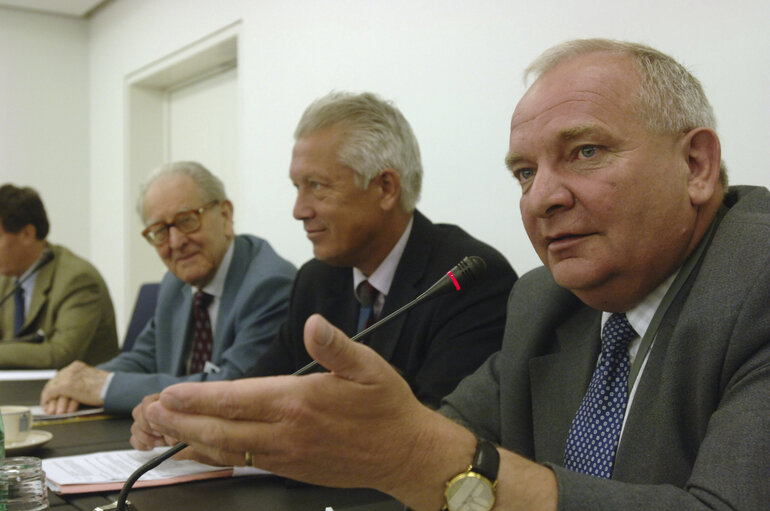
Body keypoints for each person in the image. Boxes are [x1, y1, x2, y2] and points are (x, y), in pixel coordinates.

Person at [139, 39, 769, 511]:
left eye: (585, 152)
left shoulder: (758, 280)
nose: (541, 197)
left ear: (696, 165)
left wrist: (419, 457)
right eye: (524, 173)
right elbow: (451, 427)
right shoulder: (543, 298)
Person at [247, 91, 516, 407]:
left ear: (385, 188)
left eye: (316, 186)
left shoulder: (467, 281)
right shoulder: (316, 279)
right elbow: (259, 390)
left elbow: (441, 431)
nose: (299, 210)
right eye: (297, 187)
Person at [40, 162, 296, 415]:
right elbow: (144, 359)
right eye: (160, 231)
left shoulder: (269, 285)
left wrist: (105, 387)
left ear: (225, 216)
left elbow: (233, 388)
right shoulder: (175, 284)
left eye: (186, 220)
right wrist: (75, 381)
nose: (176, 242)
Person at [0, 184, 119, 368]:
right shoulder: (6, 280)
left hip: (79, 393)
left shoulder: (77, 279)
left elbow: (61, 354)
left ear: (27, 234)